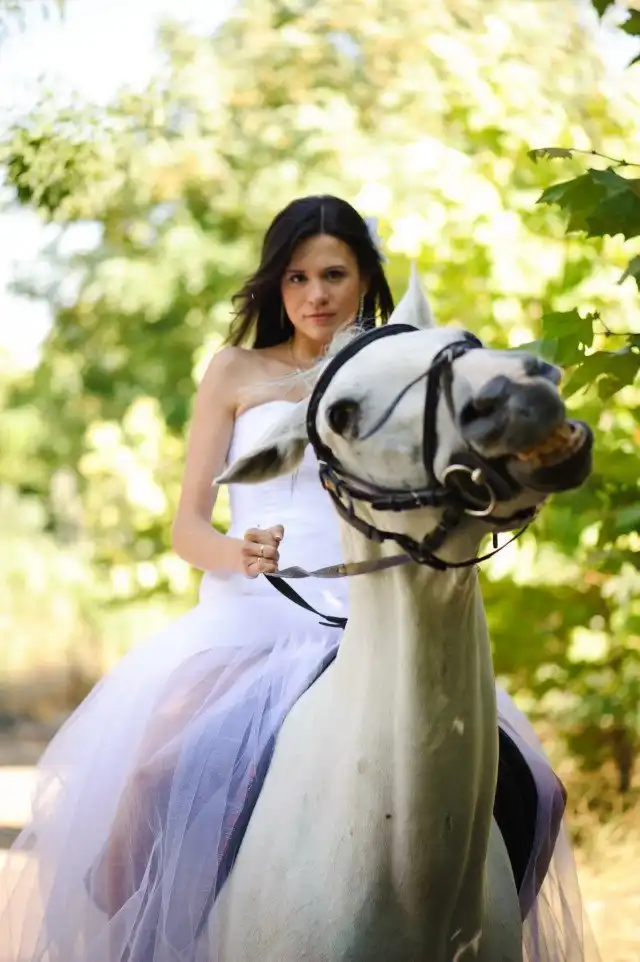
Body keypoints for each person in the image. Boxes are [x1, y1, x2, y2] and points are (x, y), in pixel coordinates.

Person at [0, 195, 595, 962]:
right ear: (275, 286)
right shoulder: (234, 371)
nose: (316, 294)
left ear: (365, 277)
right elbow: (187, 526)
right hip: (251, 628)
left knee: (540, 790)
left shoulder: (393, 371)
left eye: (334, 275)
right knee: (151, 788)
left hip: (376, 624)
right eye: (297, 277)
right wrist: (238, 551)